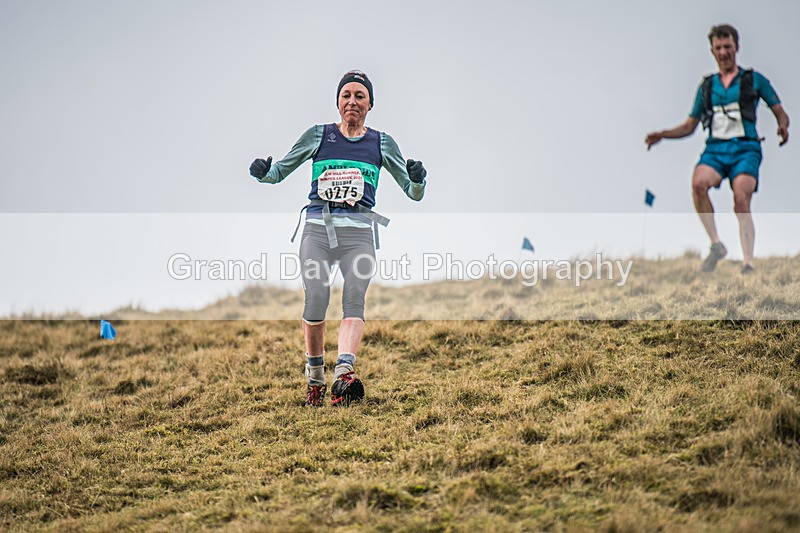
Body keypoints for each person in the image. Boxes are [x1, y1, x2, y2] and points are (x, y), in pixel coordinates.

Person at [249, 70, 427, 407]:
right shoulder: (319, 136)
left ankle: (344, 373)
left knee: (354, 298)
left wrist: (418, 179)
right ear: (337, 102)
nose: (352, 101)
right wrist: (263, 172)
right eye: (347, 95)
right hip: (318, 229)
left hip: (359, 234)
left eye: (360, 96)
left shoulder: (382, 143)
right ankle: (315, 378)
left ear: (370, 104)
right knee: (316, 297)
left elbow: (412, 191)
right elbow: (278, 172)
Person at [645, 24, 789, 273]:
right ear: (712, 51)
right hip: (715, 150)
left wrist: (782, 126)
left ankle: (747, 262)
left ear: (737, 47)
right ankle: (716, 245)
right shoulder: (707, 86)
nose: (723, 52)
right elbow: (689, 125)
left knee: (741, 198)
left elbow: (780, 111)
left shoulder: (754, 80)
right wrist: (662, 135)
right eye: (718, 48)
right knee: (698, 184)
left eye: (728, 47)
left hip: (745, 149)